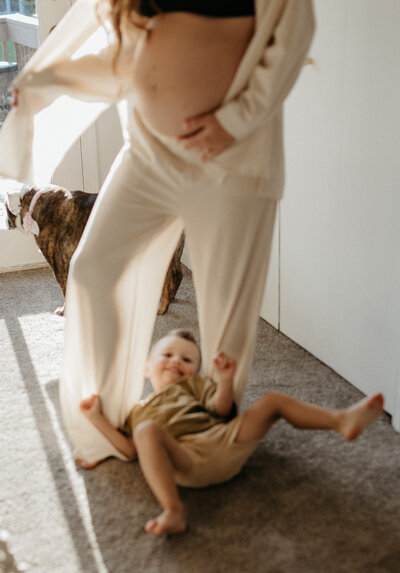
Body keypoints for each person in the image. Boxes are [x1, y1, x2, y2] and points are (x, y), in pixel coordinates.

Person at [0, 0, 316, 463]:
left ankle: (208, 443)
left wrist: (231, 123)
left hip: (229, 161)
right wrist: (51, 79)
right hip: (149, 156)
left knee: (226, 306)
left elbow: (290, 39)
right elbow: (124, 64)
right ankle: (106, 421)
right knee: (91, 271)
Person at [78, 329, 384, 536]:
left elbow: (222, 410)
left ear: (196, 371)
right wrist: (96, 421)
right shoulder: (136, 410)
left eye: (187, 360)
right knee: (146, 431)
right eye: (167, 355)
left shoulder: (194, 386)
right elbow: (130, 450)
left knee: (271, 401)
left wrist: (224, 381)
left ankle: (341, 420)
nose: (176, 362)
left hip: (224, 440)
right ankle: (173, 510)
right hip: (187, 459)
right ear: (146, 368)